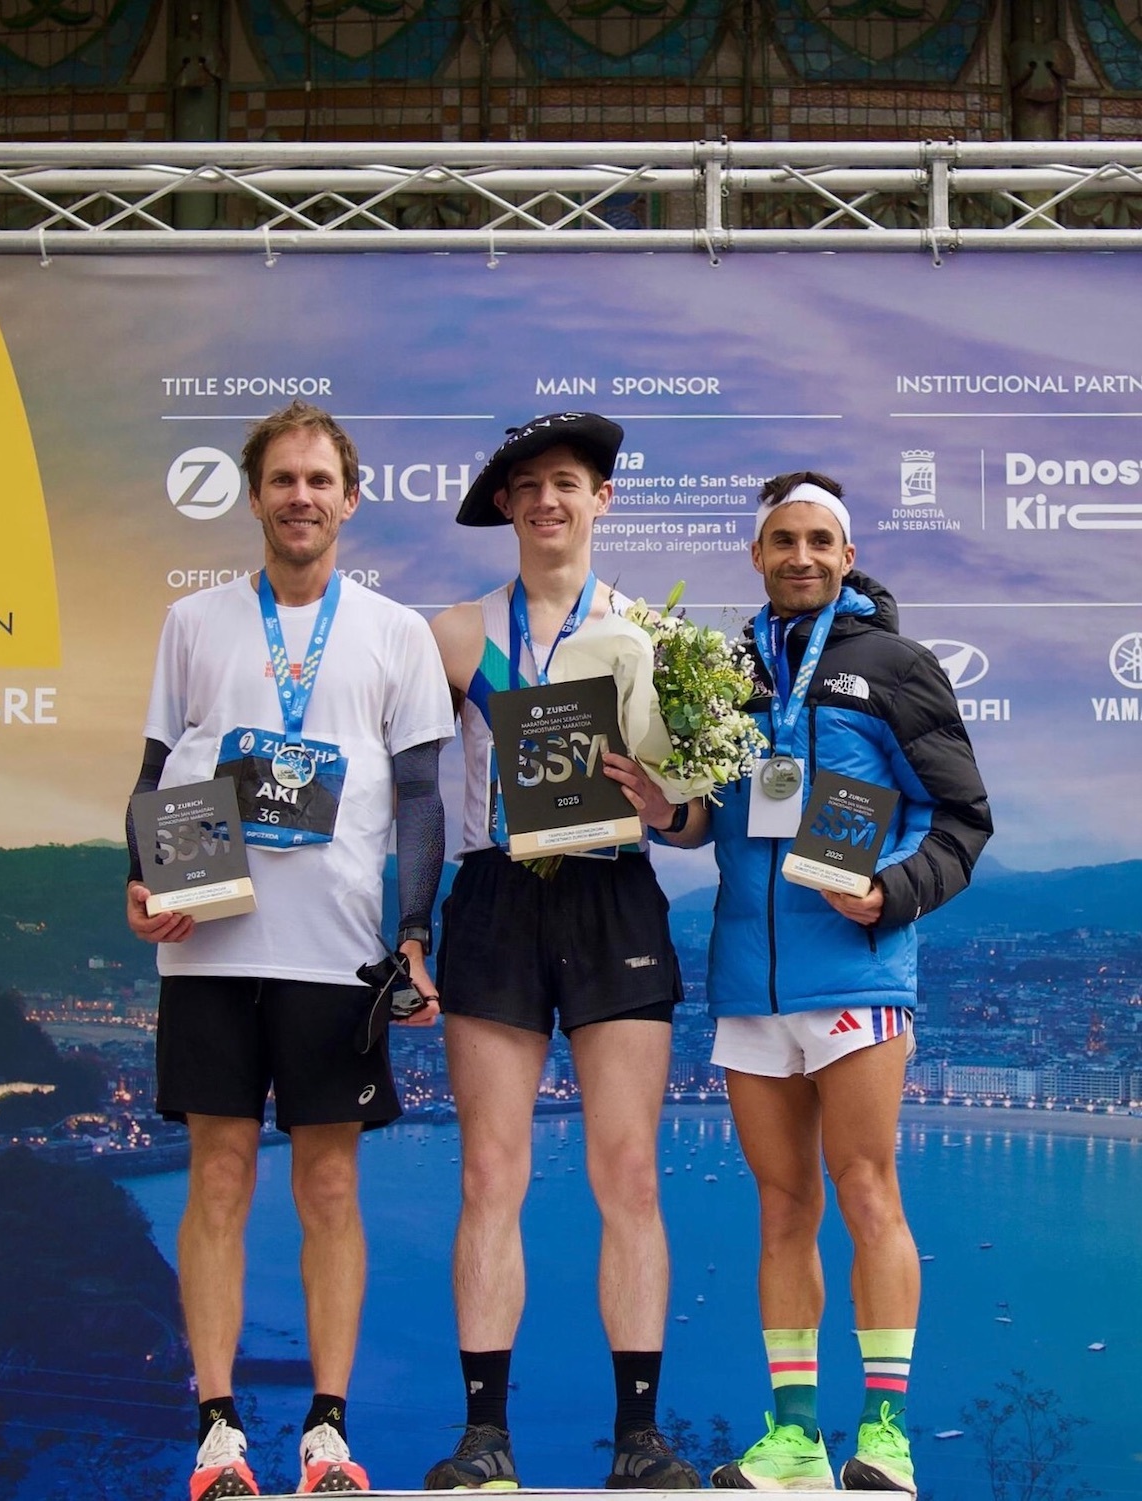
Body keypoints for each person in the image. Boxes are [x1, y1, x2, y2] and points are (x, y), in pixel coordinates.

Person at [609, 472, 992, 1496]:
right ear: (757, 554)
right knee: (782, 1206)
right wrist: (665, 809)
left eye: (821, 539)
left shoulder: (897, 666)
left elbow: (961, 818)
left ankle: (885, 1435)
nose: (803, 556)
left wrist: (891, 890)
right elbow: (711, 815)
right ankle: (793, 1441)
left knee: (867, 1189)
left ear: (848, 554)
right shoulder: (723, 670)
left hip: (856, 968)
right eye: (784, 539)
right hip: (749, 980)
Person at [125, 400, 454, 1501]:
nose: (300, 497)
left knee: (328, 1185)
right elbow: (154, 773)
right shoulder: (194, 621)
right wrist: (141, 878)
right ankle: (218, 1433)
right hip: (208, 943)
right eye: (282, 479)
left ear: (349, 499)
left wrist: (413, 935)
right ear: (256, 496)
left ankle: (326, 1436)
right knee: (217, 1174)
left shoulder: (397, 632)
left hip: (337, 955)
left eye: (319, 480)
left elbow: (421, 798)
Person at [425, 412, 699, 1491]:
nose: (549, 499)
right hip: (495, 891)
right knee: (491, 1171)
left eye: (569, 482)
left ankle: (639, 1439)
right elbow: (408, 789)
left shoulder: (650, 635)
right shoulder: (455, 635)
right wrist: (410, 925)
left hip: (612, 894)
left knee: (628, 1172)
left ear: (602, 500)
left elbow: (695, 819)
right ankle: (484, 1437)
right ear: (505, 504)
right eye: (529, 484)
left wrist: (665, 805)